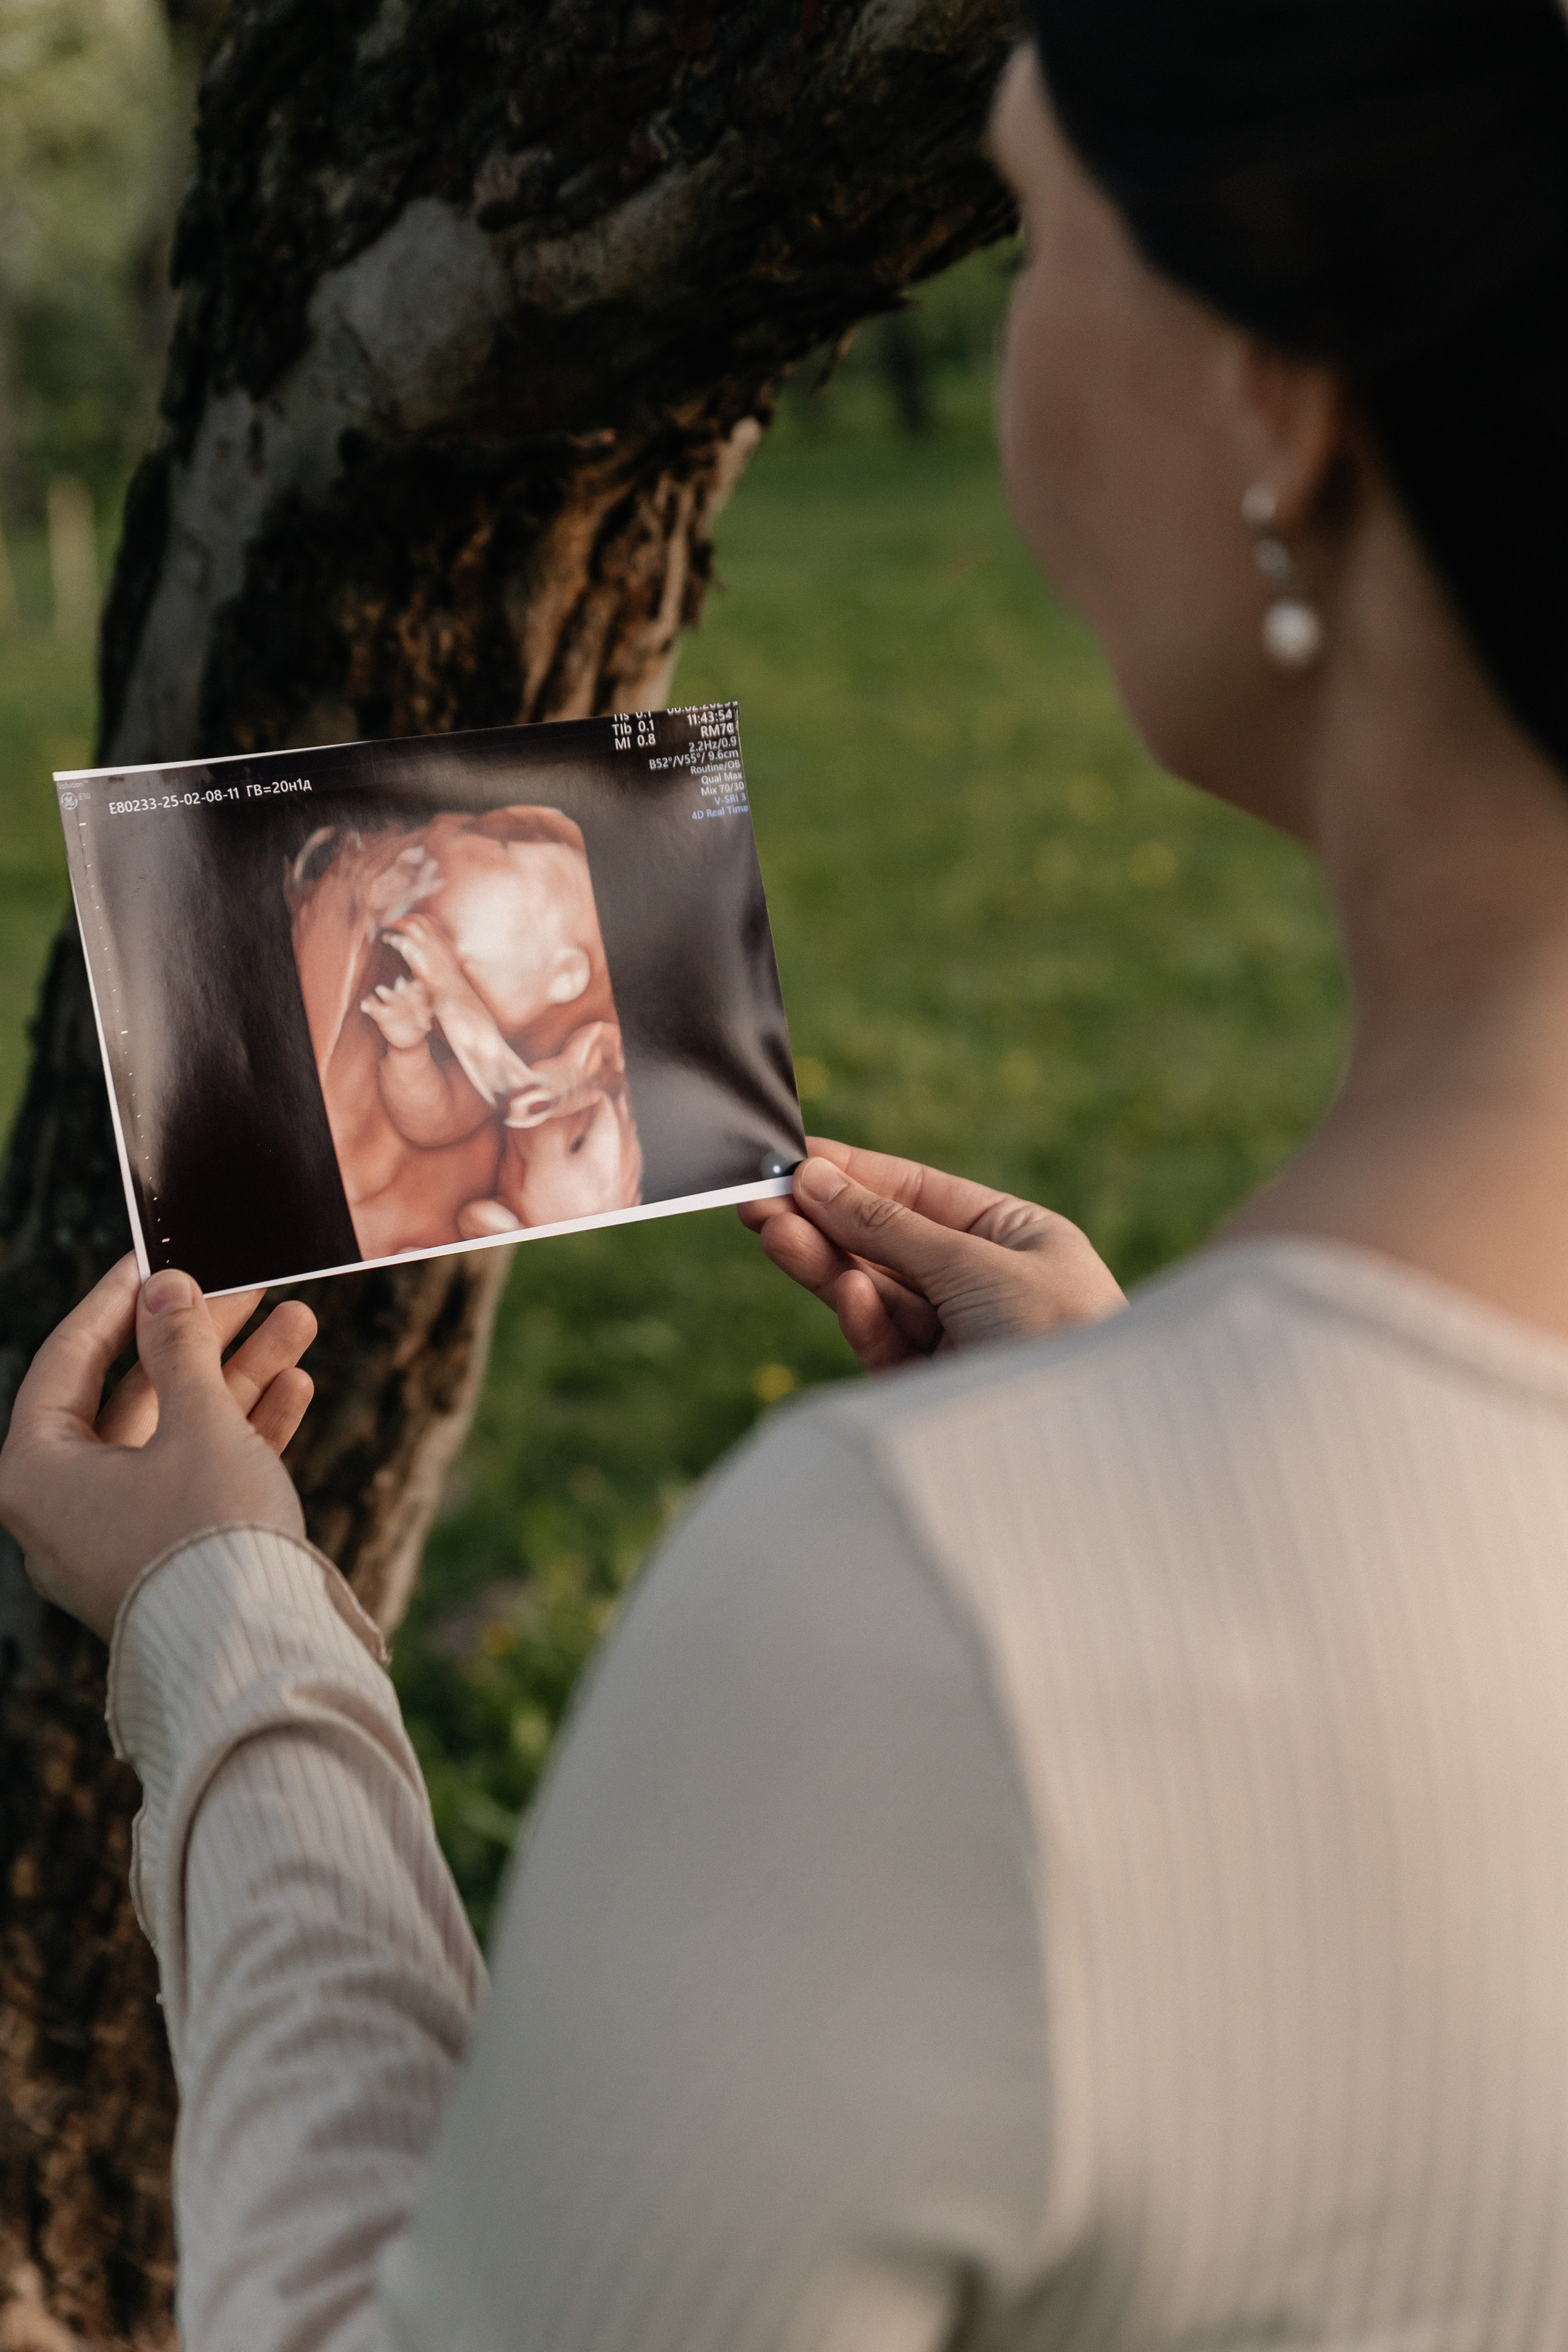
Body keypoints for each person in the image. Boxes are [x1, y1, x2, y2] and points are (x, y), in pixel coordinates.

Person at [7, 1, 1568, 2343]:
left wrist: (223, 1625)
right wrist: (1151, 1426)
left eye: (1037, 227)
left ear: (1279, 408)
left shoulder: (939, 1629)